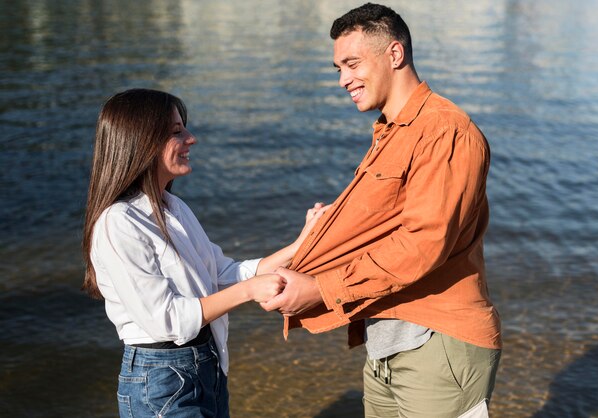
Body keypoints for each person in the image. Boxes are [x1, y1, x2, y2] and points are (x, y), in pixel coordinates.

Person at [262, 3, 502, 417]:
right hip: (387, 343)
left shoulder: (444, 130)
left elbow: (424, 244)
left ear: (394, 54)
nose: (343, 79)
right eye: (338, 68)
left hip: (436, 345)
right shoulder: (393, 133)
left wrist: (320, 289)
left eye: (352, 63)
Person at [81, 88, 326, 418]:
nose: (191, 139)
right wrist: (249, 292)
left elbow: (223, 274)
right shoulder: (118, 223)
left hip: (205, 364)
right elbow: (165, 320)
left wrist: (300, 244)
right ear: (142, 142)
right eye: (176, 132)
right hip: (161, 378)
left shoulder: (174, 208)